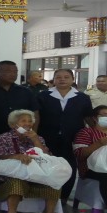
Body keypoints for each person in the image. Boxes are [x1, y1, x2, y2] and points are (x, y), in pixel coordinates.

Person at [0, 109, 67, 213]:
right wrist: (16, 156)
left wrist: (35, 140)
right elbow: (0, 156)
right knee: (16, 183)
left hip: (37, 175)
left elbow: (47, 156)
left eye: (30, 121)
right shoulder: (5, 137)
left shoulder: (38, 138)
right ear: (13, 124)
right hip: (14, 175)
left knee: (55, 181)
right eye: (23, 121)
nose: (27, 124)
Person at [37, 68, 93, 205]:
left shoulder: (82, 98)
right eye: (58, 77)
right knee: (47, 164)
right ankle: (47, 196)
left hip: (73, 137)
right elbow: (37, 117)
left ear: (72, 80)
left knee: (69, 167)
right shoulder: (43, 95)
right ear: (54, 79)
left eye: (66, 77)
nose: (62, 79)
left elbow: (88, 118)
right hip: (48, 136)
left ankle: (63, 197)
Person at [0, 61, 39, 139]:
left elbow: (35, 114)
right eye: (8, 71)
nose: (13, 74)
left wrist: (33, 134)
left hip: (21, 137)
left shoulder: (25, 92)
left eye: (15, 72)